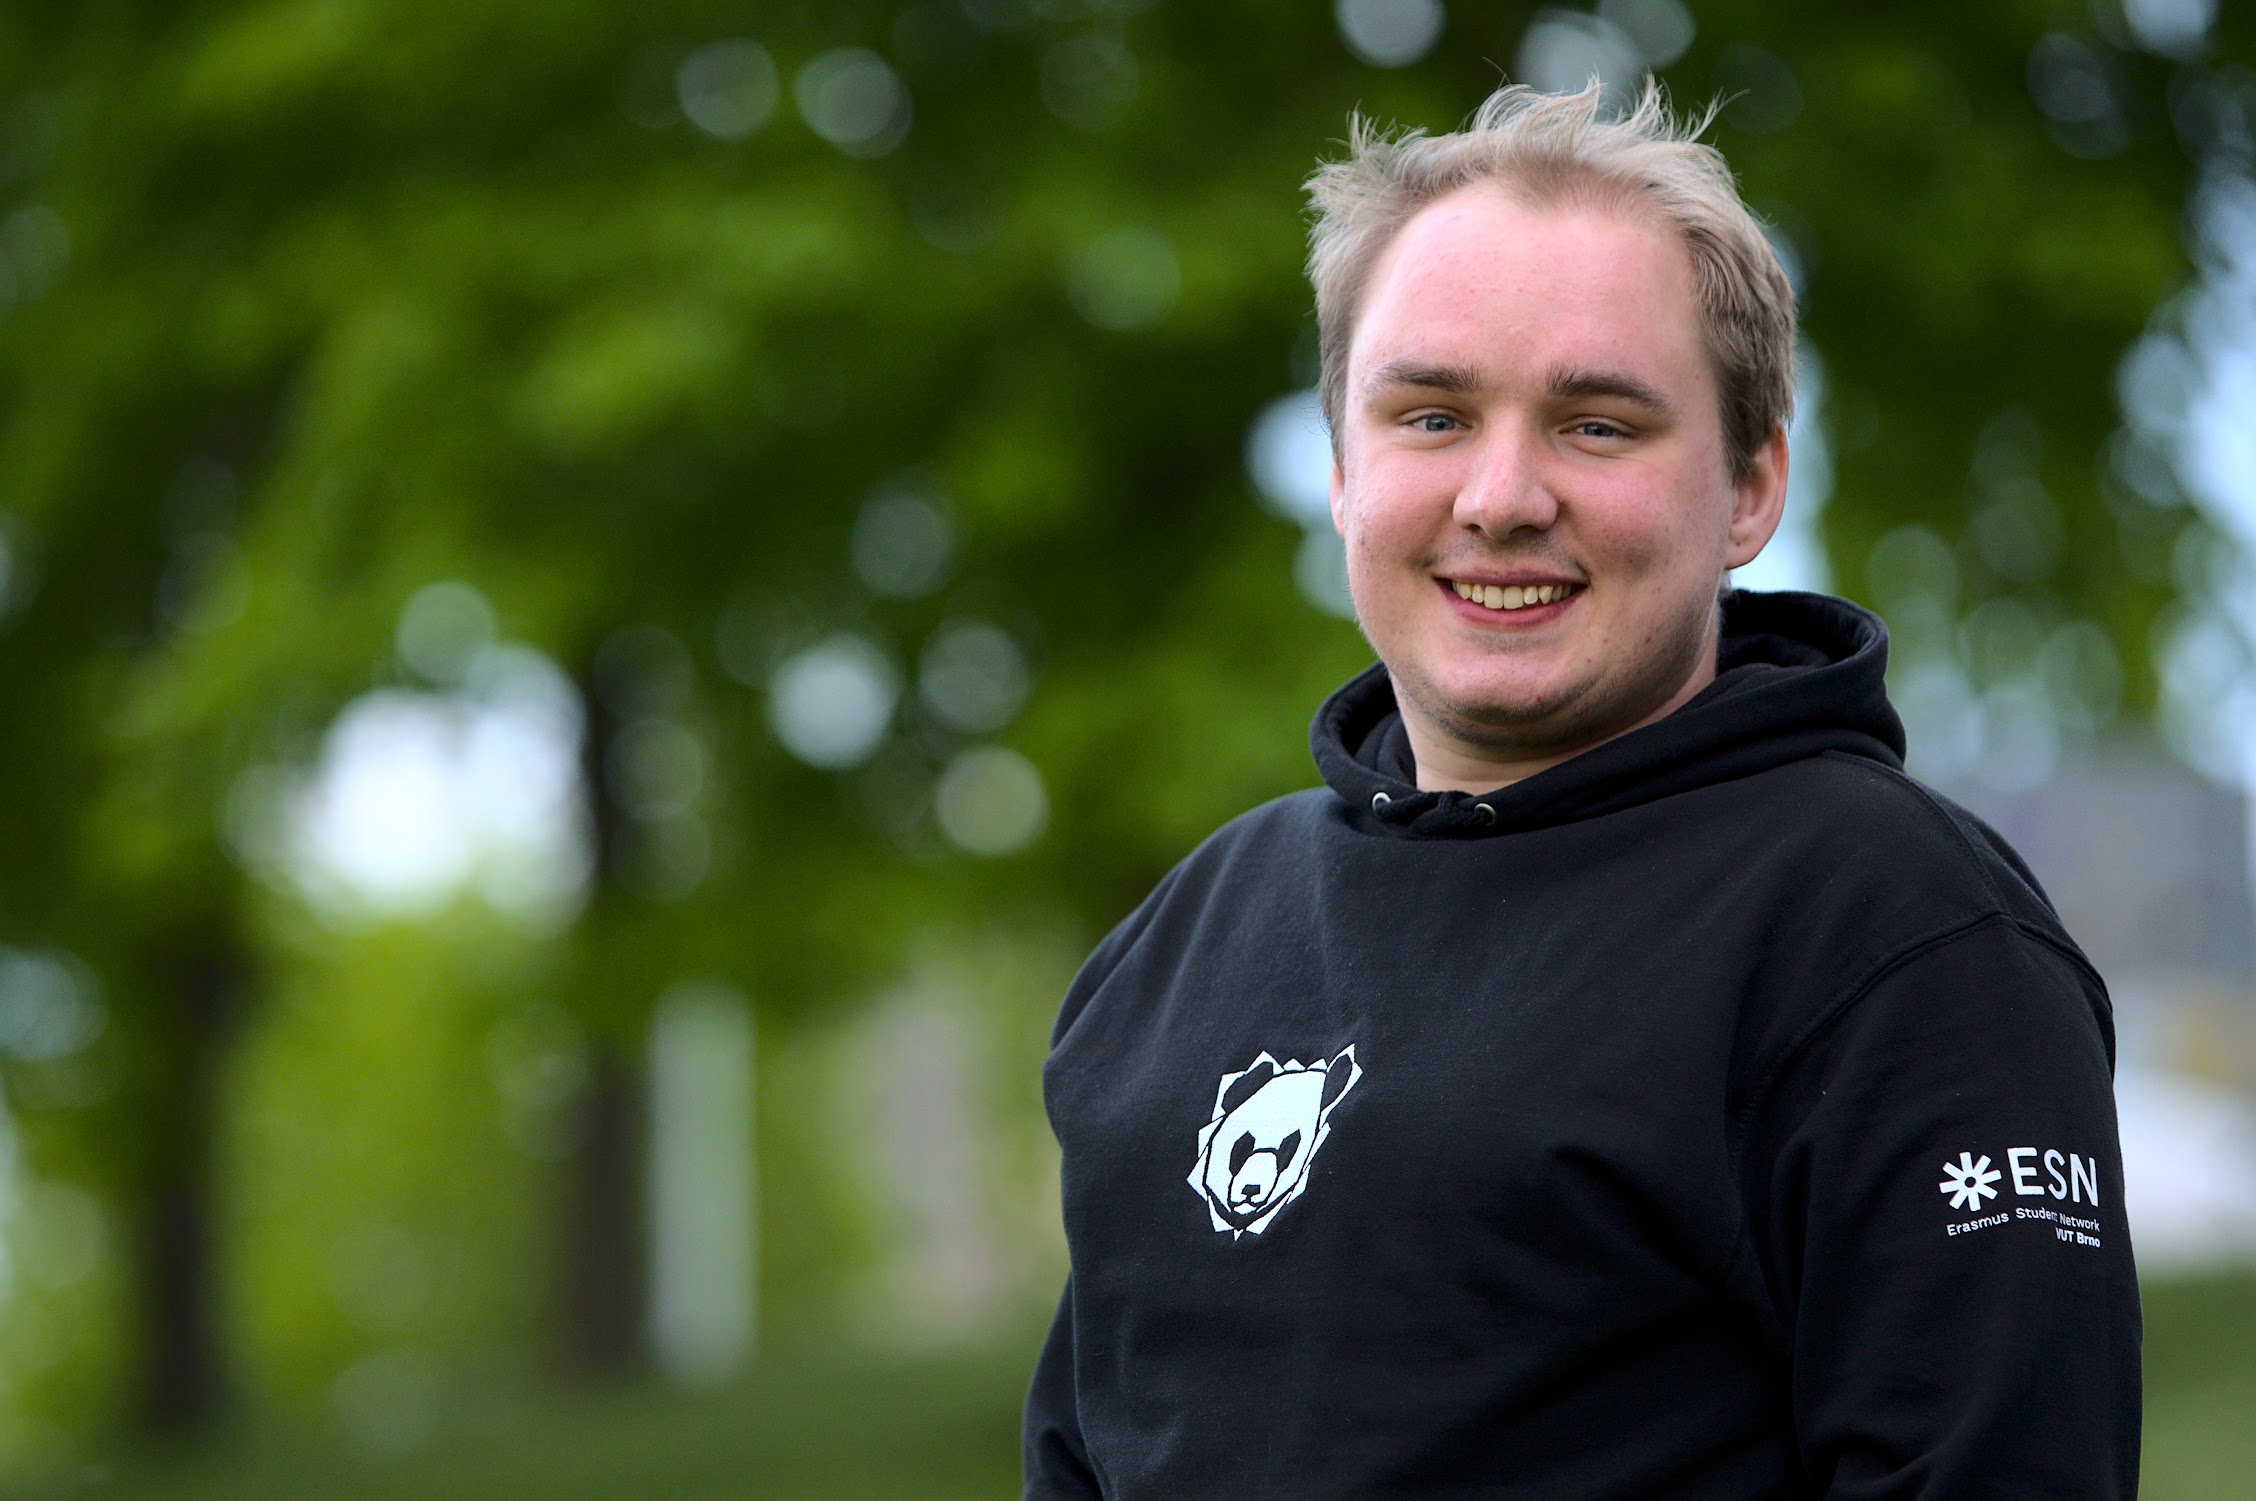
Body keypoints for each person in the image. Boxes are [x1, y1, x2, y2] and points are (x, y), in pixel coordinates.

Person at [1023, 79, 2139, 1499]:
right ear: (1344, 472)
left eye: (1597, 424)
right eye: (1432, 415)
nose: (1501, 497)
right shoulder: (1185, 945)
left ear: (1751, 488)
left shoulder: (1899, 939)